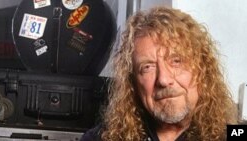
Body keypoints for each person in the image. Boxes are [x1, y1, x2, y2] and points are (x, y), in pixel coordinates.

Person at [81, 6, 237, 141]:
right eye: (147, 67)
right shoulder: (100, 138)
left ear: (203, 70)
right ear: (133, 83)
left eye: (177, 61)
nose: (163, 79)